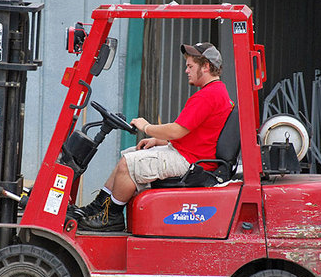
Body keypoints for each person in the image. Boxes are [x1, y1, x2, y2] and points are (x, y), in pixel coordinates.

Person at [72, 42, 234, 232]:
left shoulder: (208, 95)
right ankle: (98, 208)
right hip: (190, 153)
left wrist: (146, 127)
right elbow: (196, 133)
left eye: (190, 66)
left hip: (190, 161)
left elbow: (177, 130)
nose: (186, 70)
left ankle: (112, 216)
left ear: (206, 66)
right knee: (130, 154)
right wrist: (158, 141)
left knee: (128, 164)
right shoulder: (218, 92)